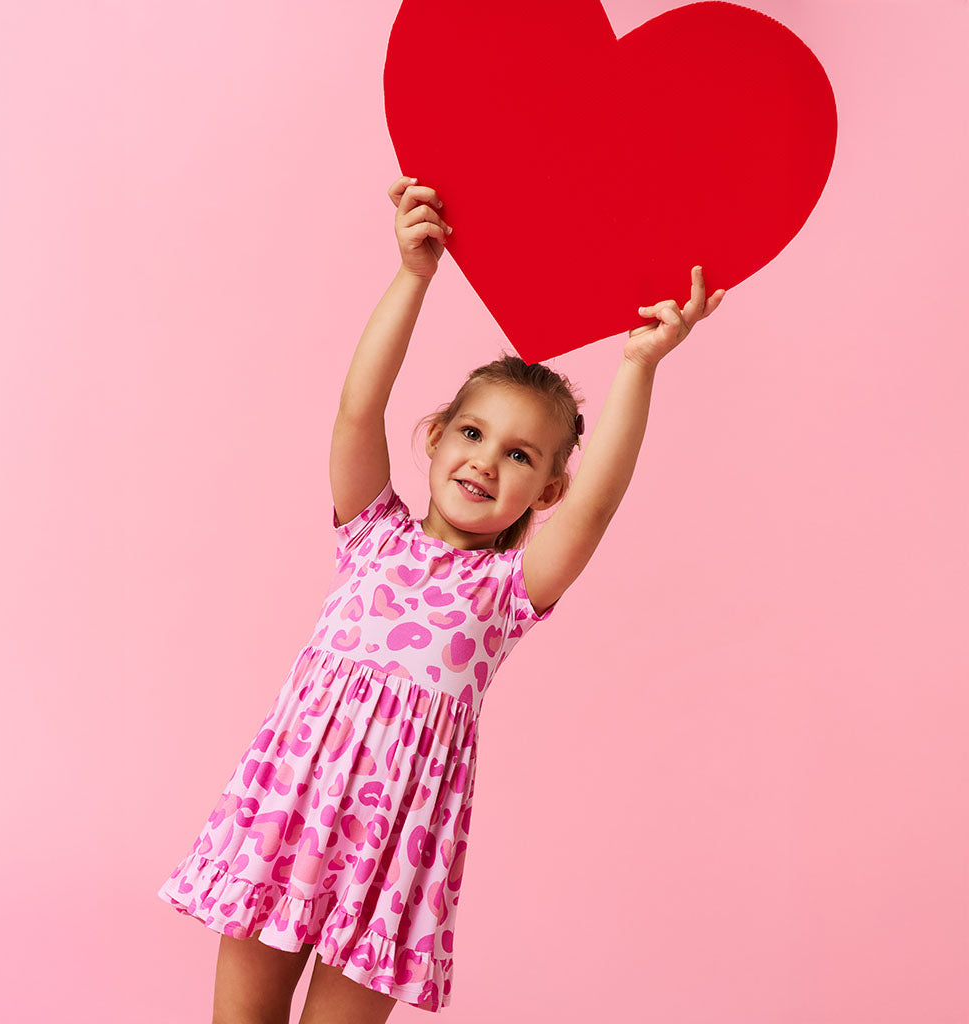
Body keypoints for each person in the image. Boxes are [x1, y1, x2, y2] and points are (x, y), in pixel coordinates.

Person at [157, 175, 726, 1023]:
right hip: (288, 813)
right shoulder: (371, 535)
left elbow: (599, 508)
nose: (487, 462)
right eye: (472, 433)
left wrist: (637, 366)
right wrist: (413, 275)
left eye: (522, 457)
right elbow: (357, 412)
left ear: (546, 492)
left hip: (394, 854)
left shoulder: (506, 591)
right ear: (432, 439)